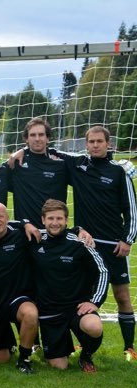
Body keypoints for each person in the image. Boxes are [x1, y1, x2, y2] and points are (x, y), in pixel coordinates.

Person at [48, 126, 137, 360]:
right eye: (91, 141)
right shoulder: (78, 166)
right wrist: (20, 152)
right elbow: (50, 149)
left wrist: (127, 240)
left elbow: (132, 211)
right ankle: (84, 345)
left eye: (100, 141)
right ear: (86, 144)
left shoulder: (119, 172)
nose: (95, 145)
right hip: (86, 245)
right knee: (83, 297)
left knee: (122, 296)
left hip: (114, 246)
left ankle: (129, 347)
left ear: (109, 144)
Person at [30, 199, 109, 372]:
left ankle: (86, 356)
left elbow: (102, 270)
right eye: (50, 218)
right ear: (43, 220)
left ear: (66, 220)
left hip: (76, 307)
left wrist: (95, 302)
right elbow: (3, 225)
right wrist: (25, 223)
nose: (55, 223)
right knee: (60, 367)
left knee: (93, 327)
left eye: (59, 218)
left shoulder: (80, 243)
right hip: (49, 311)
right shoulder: (34, 240)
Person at [0, 202, 39, 374]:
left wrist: (78, 230)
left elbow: (53, 230)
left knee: (31, 314)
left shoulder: (21, 236)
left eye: (0, 216)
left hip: (16, 300)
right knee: (0, 359)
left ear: (8, 218)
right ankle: (9, 345)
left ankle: (24, 360)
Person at [8, 117, 68, 228]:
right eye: (32, 135)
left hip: (53, 231)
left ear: (48, 138)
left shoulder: (61, 164)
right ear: (26, 139)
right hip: (25, 232)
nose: (37, 138)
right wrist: (23, 150)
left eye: (41, 135)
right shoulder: (16, 163)